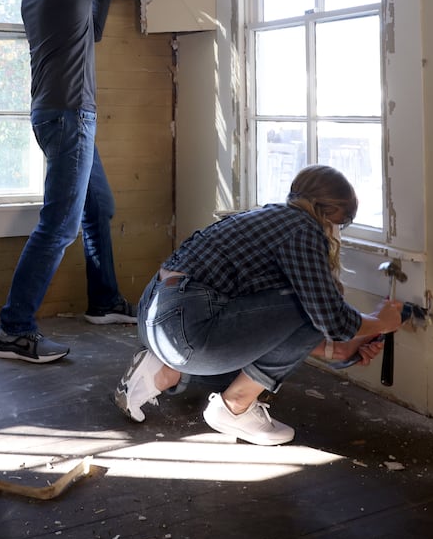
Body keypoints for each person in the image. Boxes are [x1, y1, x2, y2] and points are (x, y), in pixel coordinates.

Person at [112, 164, 404, 444]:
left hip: (156, 321)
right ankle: (234, 407)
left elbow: (263, 324)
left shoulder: (266, 218)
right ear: (331, 215)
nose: (336, 234)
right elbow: (329, 318)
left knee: (295, 312)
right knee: (310, 305)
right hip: (187, 330)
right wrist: (381, 321)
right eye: (341, 224)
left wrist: (337, 349)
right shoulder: (303, 228)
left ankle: (161, 371)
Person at [0, 0, 161, 364]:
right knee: (60, 225)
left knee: (97, 205)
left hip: (53, 114)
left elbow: (92, 32)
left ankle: (104, 301)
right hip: (70, 117)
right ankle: (13, 329)